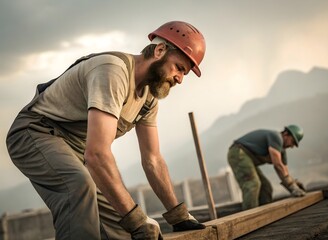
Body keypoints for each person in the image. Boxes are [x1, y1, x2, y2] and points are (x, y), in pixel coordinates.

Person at [6, 21, 206, 240]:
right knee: (78, 188)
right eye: (179, 68)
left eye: (184, 73)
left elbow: (153, 159)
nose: (180, 79)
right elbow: (97, 154)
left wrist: (178, 216)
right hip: (35, 132)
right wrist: (138, 219)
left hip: (76, 150)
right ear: (160, 50)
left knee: (121, 225)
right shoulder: (113, 71)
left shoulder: (149, 99)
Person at [227, 125, 306, 210]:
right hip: (238, 152)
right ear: (286, 134)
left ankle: (262, 215)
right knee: (252, 184)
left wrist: (294, 185)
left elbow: (284, 171)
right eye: (293, 141)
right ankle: (250, 217)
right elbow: (278, 165)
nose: (292, 146)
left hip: (247, 158)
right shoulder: (276, 137)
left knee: (266, 188)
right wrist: (291, 186)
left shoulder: (282, 151)